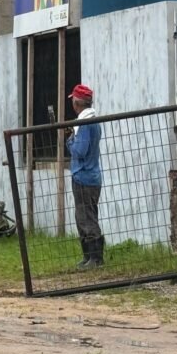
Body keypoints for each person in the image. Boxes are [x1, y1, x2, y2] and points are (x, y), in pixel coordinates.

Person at [65, 84, 104, 269]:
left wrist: (70, 141)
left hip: (83, 176)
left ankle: (94, 258)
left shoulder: (84, 124)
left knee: (85, 218)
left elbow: (79, 150)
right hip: (92, 176)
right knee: (87, 215)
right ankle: (90, 257)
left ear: (76, 103)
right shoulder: (94, 122)